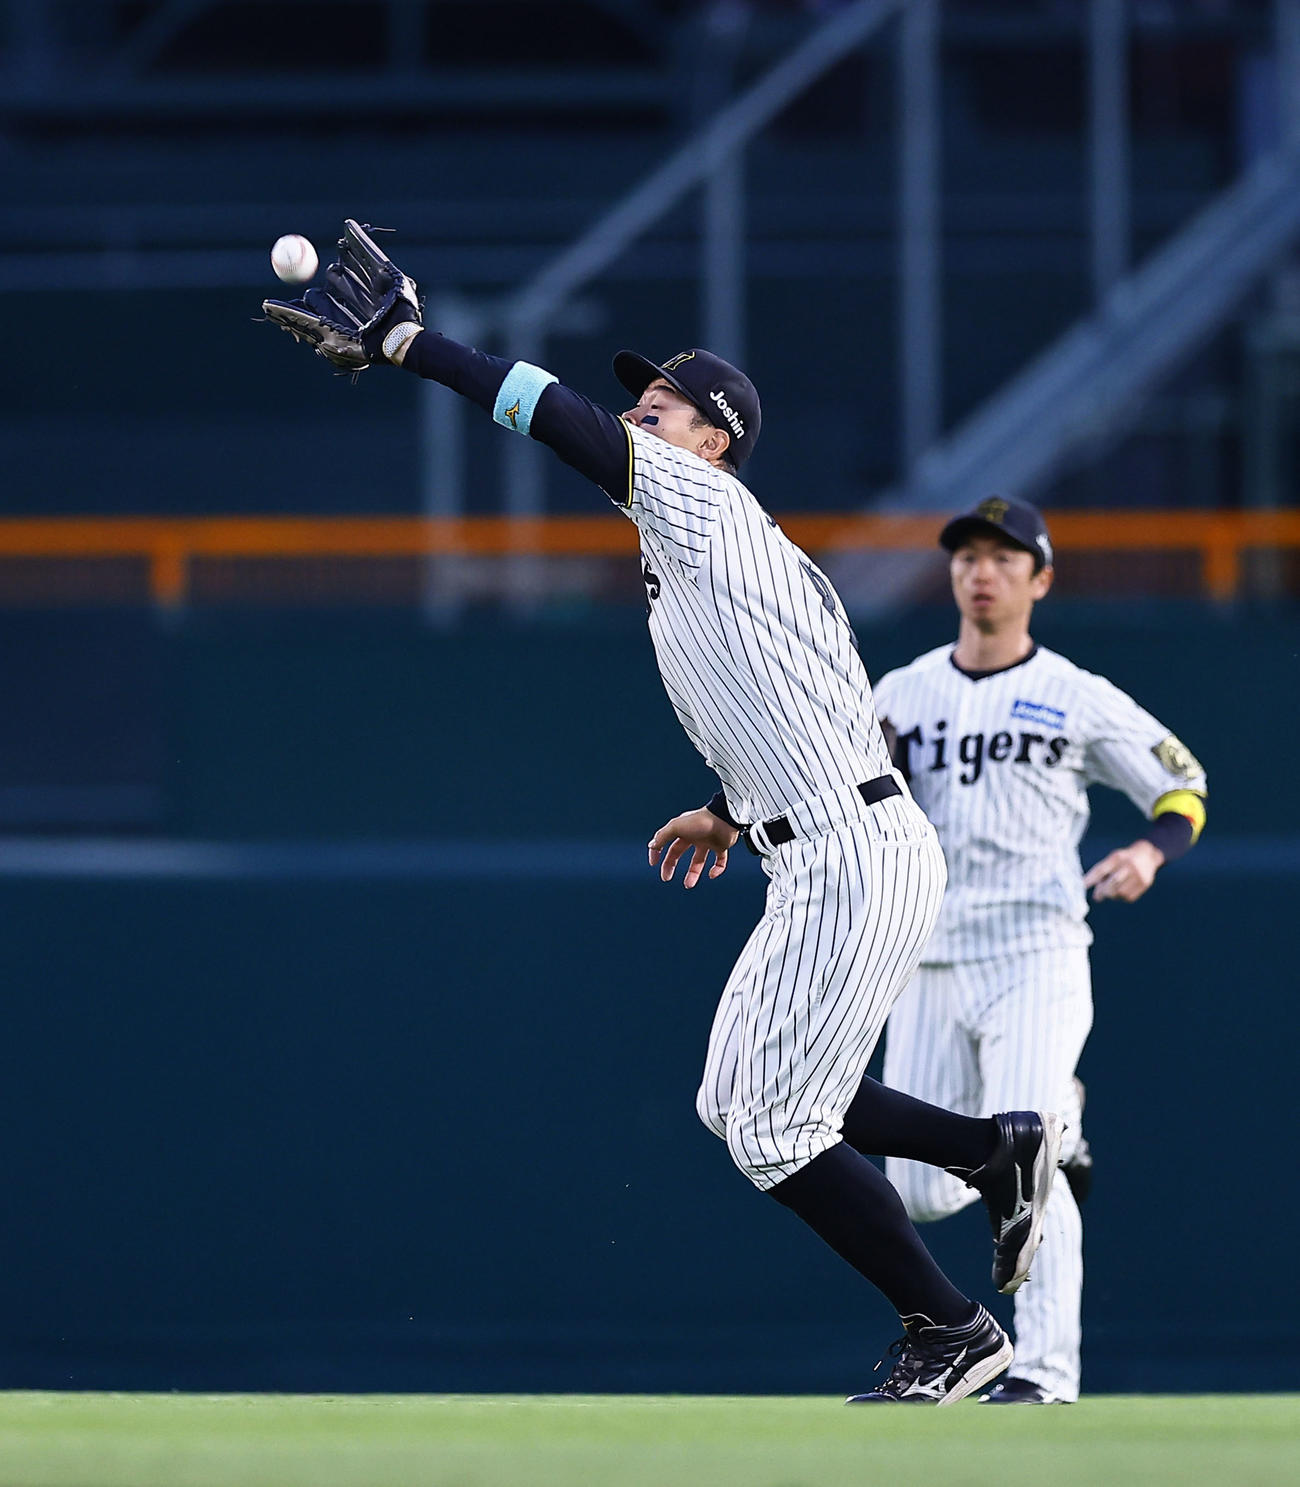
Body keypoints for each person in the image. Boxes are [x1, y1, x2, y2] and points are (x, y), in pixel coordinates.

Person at [262, 230, 1062, 1404]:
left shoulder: (705, 507)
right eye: (643, 399)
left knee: (769, 1118)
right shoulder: (709, 560)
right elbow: (808, 702)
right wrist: (731, 807)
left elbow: (559, 417)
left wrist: (411, 343)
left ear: (716, 440)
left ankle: (952, 1325)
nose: (641, 413)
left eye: (667, 403)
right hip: (829, 840)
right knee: (753, 1095)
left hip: (852, 852)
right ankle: (990, 1149)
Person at [870, 496, 1207, 1404]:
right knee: (920, 1189)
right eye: (969, 555)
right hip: (929, 954)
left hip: (1037, 947)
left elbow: (1181, 780)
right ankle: (1065, 1119)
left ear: (1040, 579)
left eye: (1005, 558)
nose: (983, 571)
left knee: (1028, 1153)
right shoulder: (900, 691)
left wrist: (1150, 847)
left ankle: (1045, 1373)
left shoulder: (1074, 692)